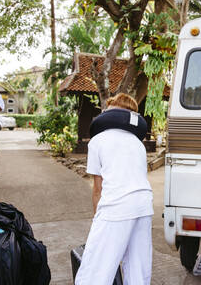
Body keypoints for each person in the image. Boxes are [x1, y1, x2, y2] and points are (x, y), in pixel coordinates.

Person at [75, 93, 153, 285]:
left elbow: (98, 189)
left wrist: (97, 220)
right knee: (138, 271)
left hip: (116, 206)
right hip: (143, 205)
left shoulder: (98, 140)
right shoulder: (138, 144)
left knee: (94, 271)